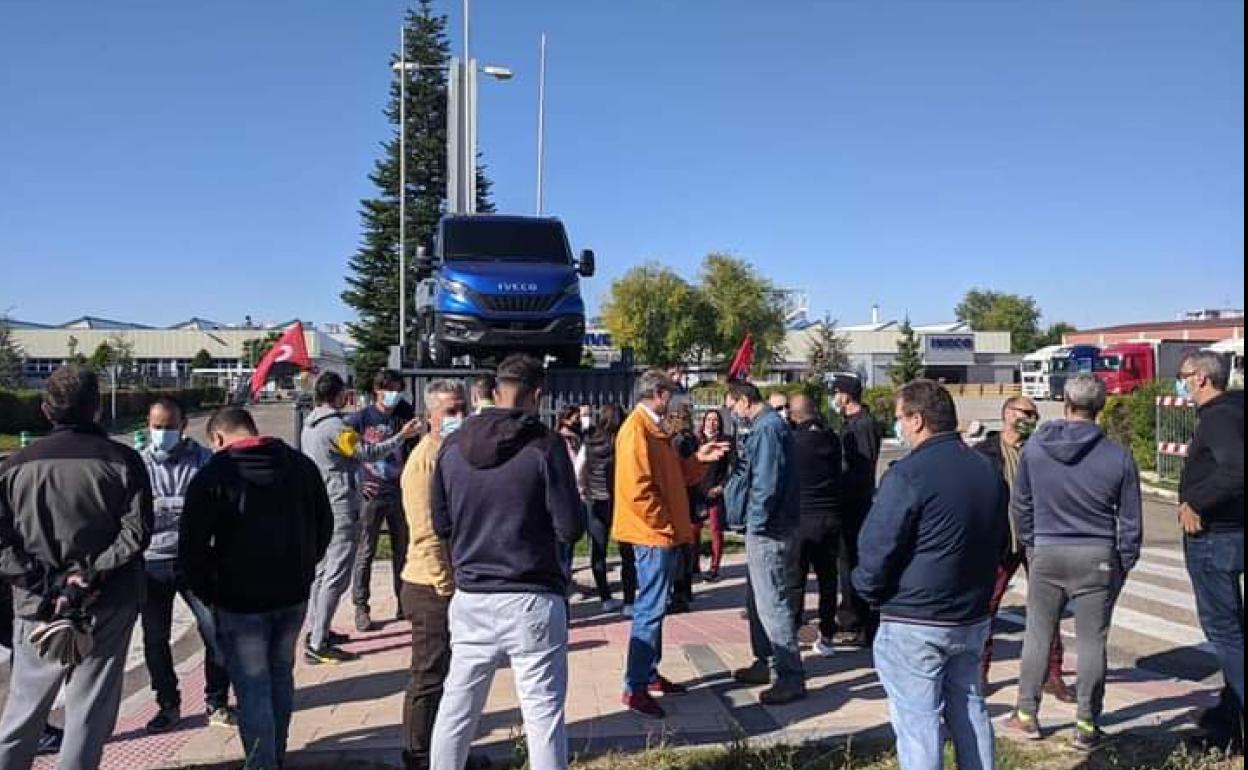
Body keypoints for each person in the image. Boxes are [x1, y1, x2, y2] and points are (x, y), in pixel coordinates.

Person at [429, 355, 585, 770]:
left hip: (472, 593)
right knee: (542, 717)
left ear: (495, 391)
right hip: (531, 594)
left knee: (457, 709)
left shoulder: (451, 446)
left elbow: (440, 522)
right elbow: (570, 529)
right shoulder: (546, 446)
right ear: (538, 394)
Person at [0, 365, 153, 770]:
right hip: (107, 600)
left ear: (46, 410)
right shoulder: (123, 461)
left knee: (24, 708)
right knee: (89, 712)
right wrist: (86, 579)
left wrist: (43, 583)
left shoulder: (13, 466)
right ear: (97, 409)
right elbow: (135, 535)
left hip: (36, 604)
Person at [853, 380, 1007, 770]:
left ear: (917, 419)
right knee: (970, 710)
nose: (898, 428)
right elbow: (998, 539)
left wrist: (867, 590)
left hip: (915, 617)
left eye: (900, 419)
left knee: (919, 724)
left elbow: (877, 547)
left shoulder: (907, 474)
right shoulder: (987, 470)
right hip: (969, 614)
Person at [180, 407, 332, 770]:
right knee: (280, 675)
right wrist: (303, 567)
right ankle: (275, 753)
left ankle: (262, 763)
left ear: (217, 438)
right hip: (292, 595)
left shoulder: (213, 476)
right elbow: (324, 525)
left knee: (252, 686)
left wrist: (210, 592)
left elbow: (192, 549)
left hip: (238, 601)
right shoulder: (300, 466)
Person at [1005, 375, 1142, 750]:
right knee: (1092, 641)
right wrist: (1123, 563)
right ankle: (1085, 720)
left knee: (1037, 634)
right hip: (1096, 554)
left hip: (1048, 550)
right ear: (1101, 406)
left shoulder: (1035, 450)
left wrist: (1033, 546)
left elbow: (1021, 505)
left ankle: (1026, 714)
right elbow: (1130, 522)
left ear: (1065, 402)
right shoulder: (1118, 456)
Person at [613, 370, 727, 720]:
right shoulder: (637, 430)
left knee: (656, 606)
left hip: (660, 532)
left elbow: (674, 474)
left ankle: (648, 673)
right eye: (674, 393)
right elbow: (638, 491)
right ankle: (635, 688)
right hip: (652, 535)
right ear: (659, 394)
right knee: (649, 609)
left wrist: (698, 461)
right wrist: (664, 527)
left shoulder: (654, 428)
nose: (678, 400)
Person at [397, 380, 490, 770]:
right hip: (430, 585)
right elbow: (427, 534)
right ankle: (418, 756)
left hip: (452, 581)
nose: (459, 418)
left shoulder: (452, 453)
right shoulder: (424, 462)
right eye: (450, 411)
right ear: (429, 416)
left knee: (453, 677)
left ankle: (448, 754)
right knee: (429, 675)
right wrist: (448, 588)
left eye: (462, 409)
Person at [301, 371, 420, 664]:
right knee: (336, 575)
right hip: (341, 503)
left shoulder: (310, 424)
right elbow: (367, 452)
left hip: (324, 500)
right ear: (338, 395)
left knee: (322, 572)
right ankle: (318, 643)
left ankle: (318, 630)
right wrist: (401, 437)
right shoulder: (337, 428)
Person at [139, 396, 236, 733]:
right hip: (151, 564)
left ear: (183, 426)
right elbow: (140, 518)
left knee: (215, 630)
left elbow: (214, 509)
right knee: (155, 639)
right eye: (157, 427)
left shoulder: (204, 462)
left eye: (169, 427)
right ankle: (167, 704)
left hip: (193, 561)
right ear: (148, 426)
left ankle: (217, 701)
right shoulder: (139, 465)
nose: (162, 433)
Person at [977, 397, 1073, 703]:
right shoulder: (984, 454)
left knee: (1048, 608)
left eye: (1035, 415)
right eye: (1025, 413)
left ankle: (1053, 674)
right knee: (986, 607)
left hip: (1039, 541)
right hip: (1000, 543)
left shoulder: (1042, 452)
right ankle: (979, 673)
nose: (1031, 419)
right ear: (1006, 414)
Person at [1175, 351, 1244, 749]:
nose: (1181, 383)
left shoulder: (1218, 417)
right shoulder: (1235, 411)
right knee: (1235, 628)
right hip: (1231, 533)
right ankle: (1228, 713)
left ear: (1201, 378)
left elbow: (1236, 470)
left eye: (1183, 377)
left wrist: (1197, 501)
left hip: (1215, 538)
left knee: (1224, 631)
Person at [724, 381, 806, 705]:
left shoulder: (768, 429)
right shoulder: (765, 427)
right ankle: (767, 661)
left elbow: (766, 483)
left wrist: (756, 523)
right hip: (766, 527)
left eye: (732, 405)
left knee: (773, 604)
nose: (732, 412)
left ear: (745, 401)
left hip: (770, 530)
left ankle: (790, 675)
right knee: (759, 600)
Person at [350, 369, 420, 632]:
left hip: (400, 489)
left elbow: (414, 450)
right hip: (371, 491)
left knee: (402, 549)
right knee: (366, 550)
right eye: (390, 389)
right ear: (378, 390)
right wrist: (358, 482)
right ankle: (361, 606)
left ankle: (404, 603)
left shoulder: (405, 413)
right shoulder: (361, 418)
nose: (394, 395)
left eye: (398, 389)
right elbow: (350, 452)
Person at [787, 393, 843, 659]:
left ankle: (794, 629)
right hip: (830, 516)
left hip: (801, 518)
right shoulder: (832, 439)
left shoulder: (792, 442)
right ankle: (827, 634)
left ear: (794, 415)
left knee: (795, 579)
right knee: (828, 579)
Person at [831, 374, 880, 646]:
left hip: (855, 503)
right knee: (845, 561)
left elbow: (861, 467)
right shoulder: (848, 422)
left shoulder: (862, 425)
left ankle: (857, 618)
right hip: (847, 501)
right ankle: (850, 613)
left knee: (851, 562)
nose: (835, 397)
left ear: (847, 394)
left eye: (837, 392)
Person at [579, 404, 625, 613]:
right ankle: (630, 596)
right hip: (615, 498)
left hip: (593, 500)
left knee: (598, 550)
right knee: (627, 549)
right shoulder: (619, 442)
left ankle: (605, 596)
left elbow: (580, 466)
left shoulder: (590, 438)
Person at [667, 402, 701, 614]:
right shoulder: (692, 439)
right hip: (691, 494)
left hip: (679, 495)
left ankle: (679, 594)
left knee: (677, 546)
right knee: (685, 544)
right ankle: (685, 590)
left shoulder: (676, 442)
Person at [695, 409, 733, 583]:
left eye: (715, 420)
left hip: (715, 491)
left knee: (716, 530)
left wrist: (721, 487)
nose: (712, 423)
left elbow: (731, 468)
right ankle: (693, 565)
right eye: (709, 419)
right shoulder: (696, 441)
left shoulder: (726, 442)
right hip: (696, 492)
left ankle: (714, 567)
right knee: (694, 531)